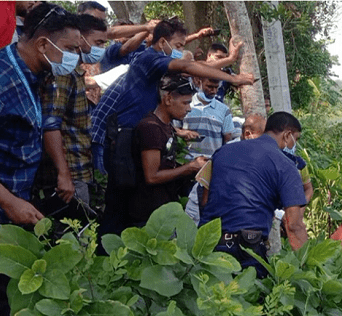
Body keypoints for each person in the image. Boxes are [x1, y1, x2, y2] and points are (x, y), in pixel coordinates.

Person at [91, 17, 253, 239]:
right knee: (119, 200)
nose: (180, 51)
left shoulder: (156, 66)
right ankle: (106, 252)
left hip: (129, 135)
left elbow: (196, 68)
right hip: (123, 136)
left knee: (129, 199)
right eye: (178, 46)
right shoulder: (151, 59)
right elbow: (188, 65)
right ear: (162, 42)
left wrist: (231, 61)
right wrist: (233, 79)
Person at [0, 3, 80, 313]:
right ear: (42, 44)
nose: (74, 58)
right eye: (69, 49)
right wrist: (9, 202)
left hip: (9, 210)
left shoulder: (31, 72)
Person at [199, 112, 308, 278]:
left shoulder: (222, 152)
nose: (294, 144)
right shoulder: (286, 166)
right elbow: (293, 225)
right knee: (247, 299)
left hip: (208, 244)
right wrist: (309, 268)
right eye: (296, 139)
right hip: (246, 250)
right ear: (287, 135)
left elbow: (205, 201)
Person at [33, 14, 108, 214]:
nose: (100, 49)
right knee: (74, 235)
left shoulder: (74, 72)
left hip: (78, 168)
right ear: (80, 38)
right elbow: (50, 123)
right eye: (98, 42)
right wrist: (63, 173)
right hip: (70, 173)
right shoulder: (63, 74)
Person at [129, 74, 208, 226]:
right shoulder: (151, 128)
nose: (189, 109)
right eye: (185, 103)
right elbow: (151, 176)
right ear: (168, 99)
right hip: (148, 215)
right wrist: (188, 168)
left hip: (164, 210)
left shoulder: (166, 126)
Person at [182, 76, 235, 159]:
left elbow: (228, 140)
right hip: (185, 162)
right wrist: (184, 133)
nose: (214, 91)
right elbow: (173, 129)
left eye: (216, 87)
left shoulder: (224, 110)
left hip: (211, 163)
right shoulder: (185, 104)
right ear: (198, 82)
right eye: (209, 86)